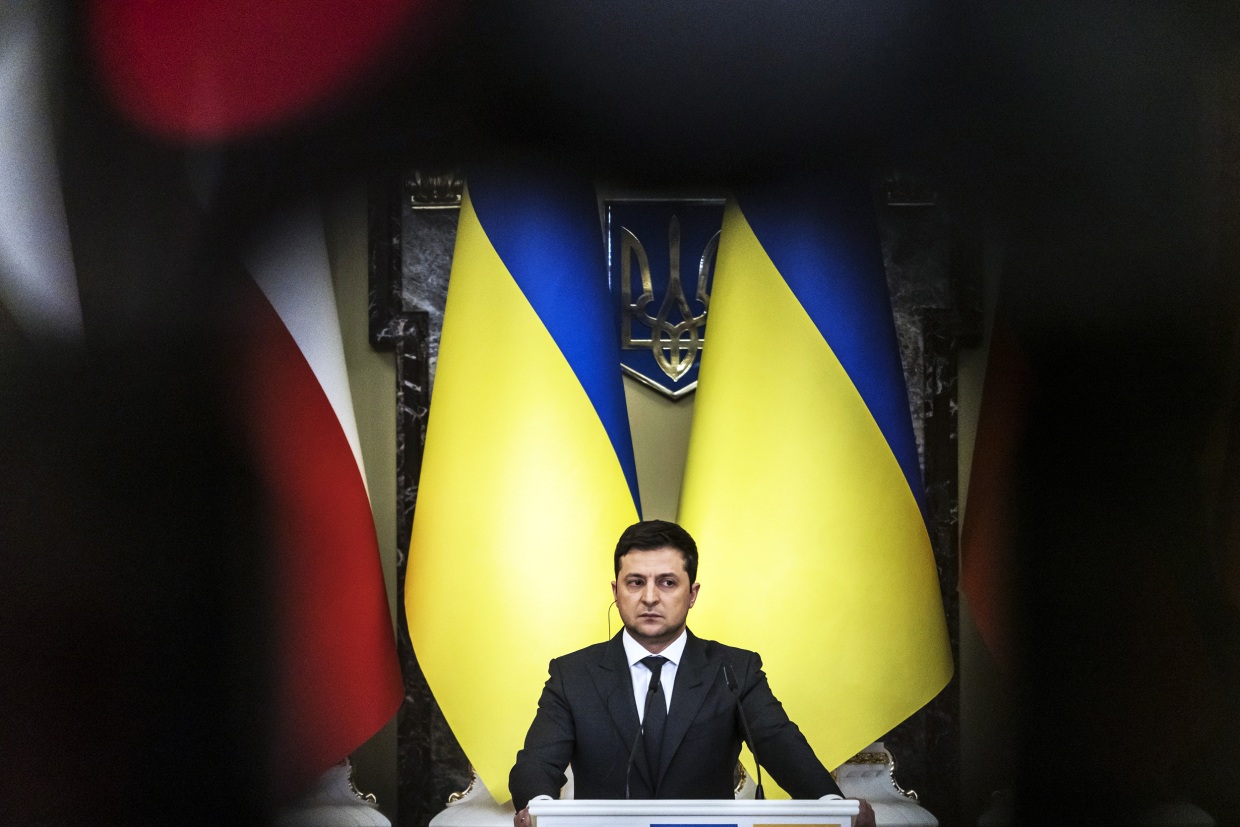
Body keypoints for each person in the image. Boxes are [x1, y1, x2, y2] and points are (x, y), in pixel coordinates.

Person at [509, 520, 875, 827]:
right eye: (635, 582)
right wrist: (538, 807)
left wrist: (833, 805)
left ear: (693, 593)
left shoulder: (734, 670)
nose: (650, 597)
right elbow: (536, 764)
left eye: (667, 582)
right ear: (616, 591)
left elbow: (781, 746)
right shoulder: (573, 674)